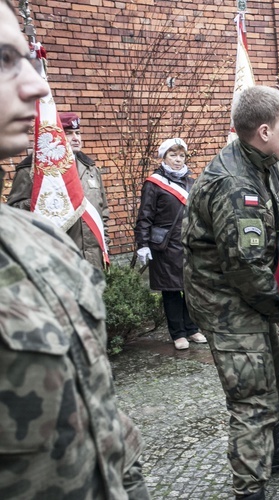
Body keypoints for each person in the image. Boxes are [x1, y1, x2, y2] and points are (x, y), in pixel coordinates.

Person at [0, 0, 150, 497]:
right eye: (4, 59)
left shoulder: (27, 239)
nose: (38, 83)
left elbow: (95, 407)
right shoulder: (32, 182)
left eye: (25, 57)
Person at [183, 85, 279, 500]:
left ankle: (272, 451)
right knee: (251, 396)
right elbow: (245, 266)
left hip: (245, 290)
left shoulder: (264, 161)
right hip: (225, 299)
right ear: (264, 130)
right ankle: (249, 490)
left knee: (270, 375)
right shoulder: (234, 185)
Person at [7, 111, 111, 270]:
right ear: (56, 136)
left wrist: (104, 245)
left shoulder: (90, 169)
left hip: (92, 260)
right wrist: (42, 201)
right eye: (68, 133)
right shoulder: (32, 170)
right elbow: (14, 212)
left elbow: (102, 211)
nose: (76, 138)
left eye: (78, 133)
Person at [134, 138, 206, 350]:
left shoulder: (190, 182)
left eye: (181, 156)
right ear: (164, 157)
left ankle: (192, 328)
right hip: (165, 245)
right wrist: (142, 244)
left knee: (190, 288)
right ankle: (178, 333)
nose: (178, 160)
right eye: (173, 155)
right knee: (172, 290)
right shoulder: (154, 184)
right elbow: (145, 216)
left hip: (188, 243)